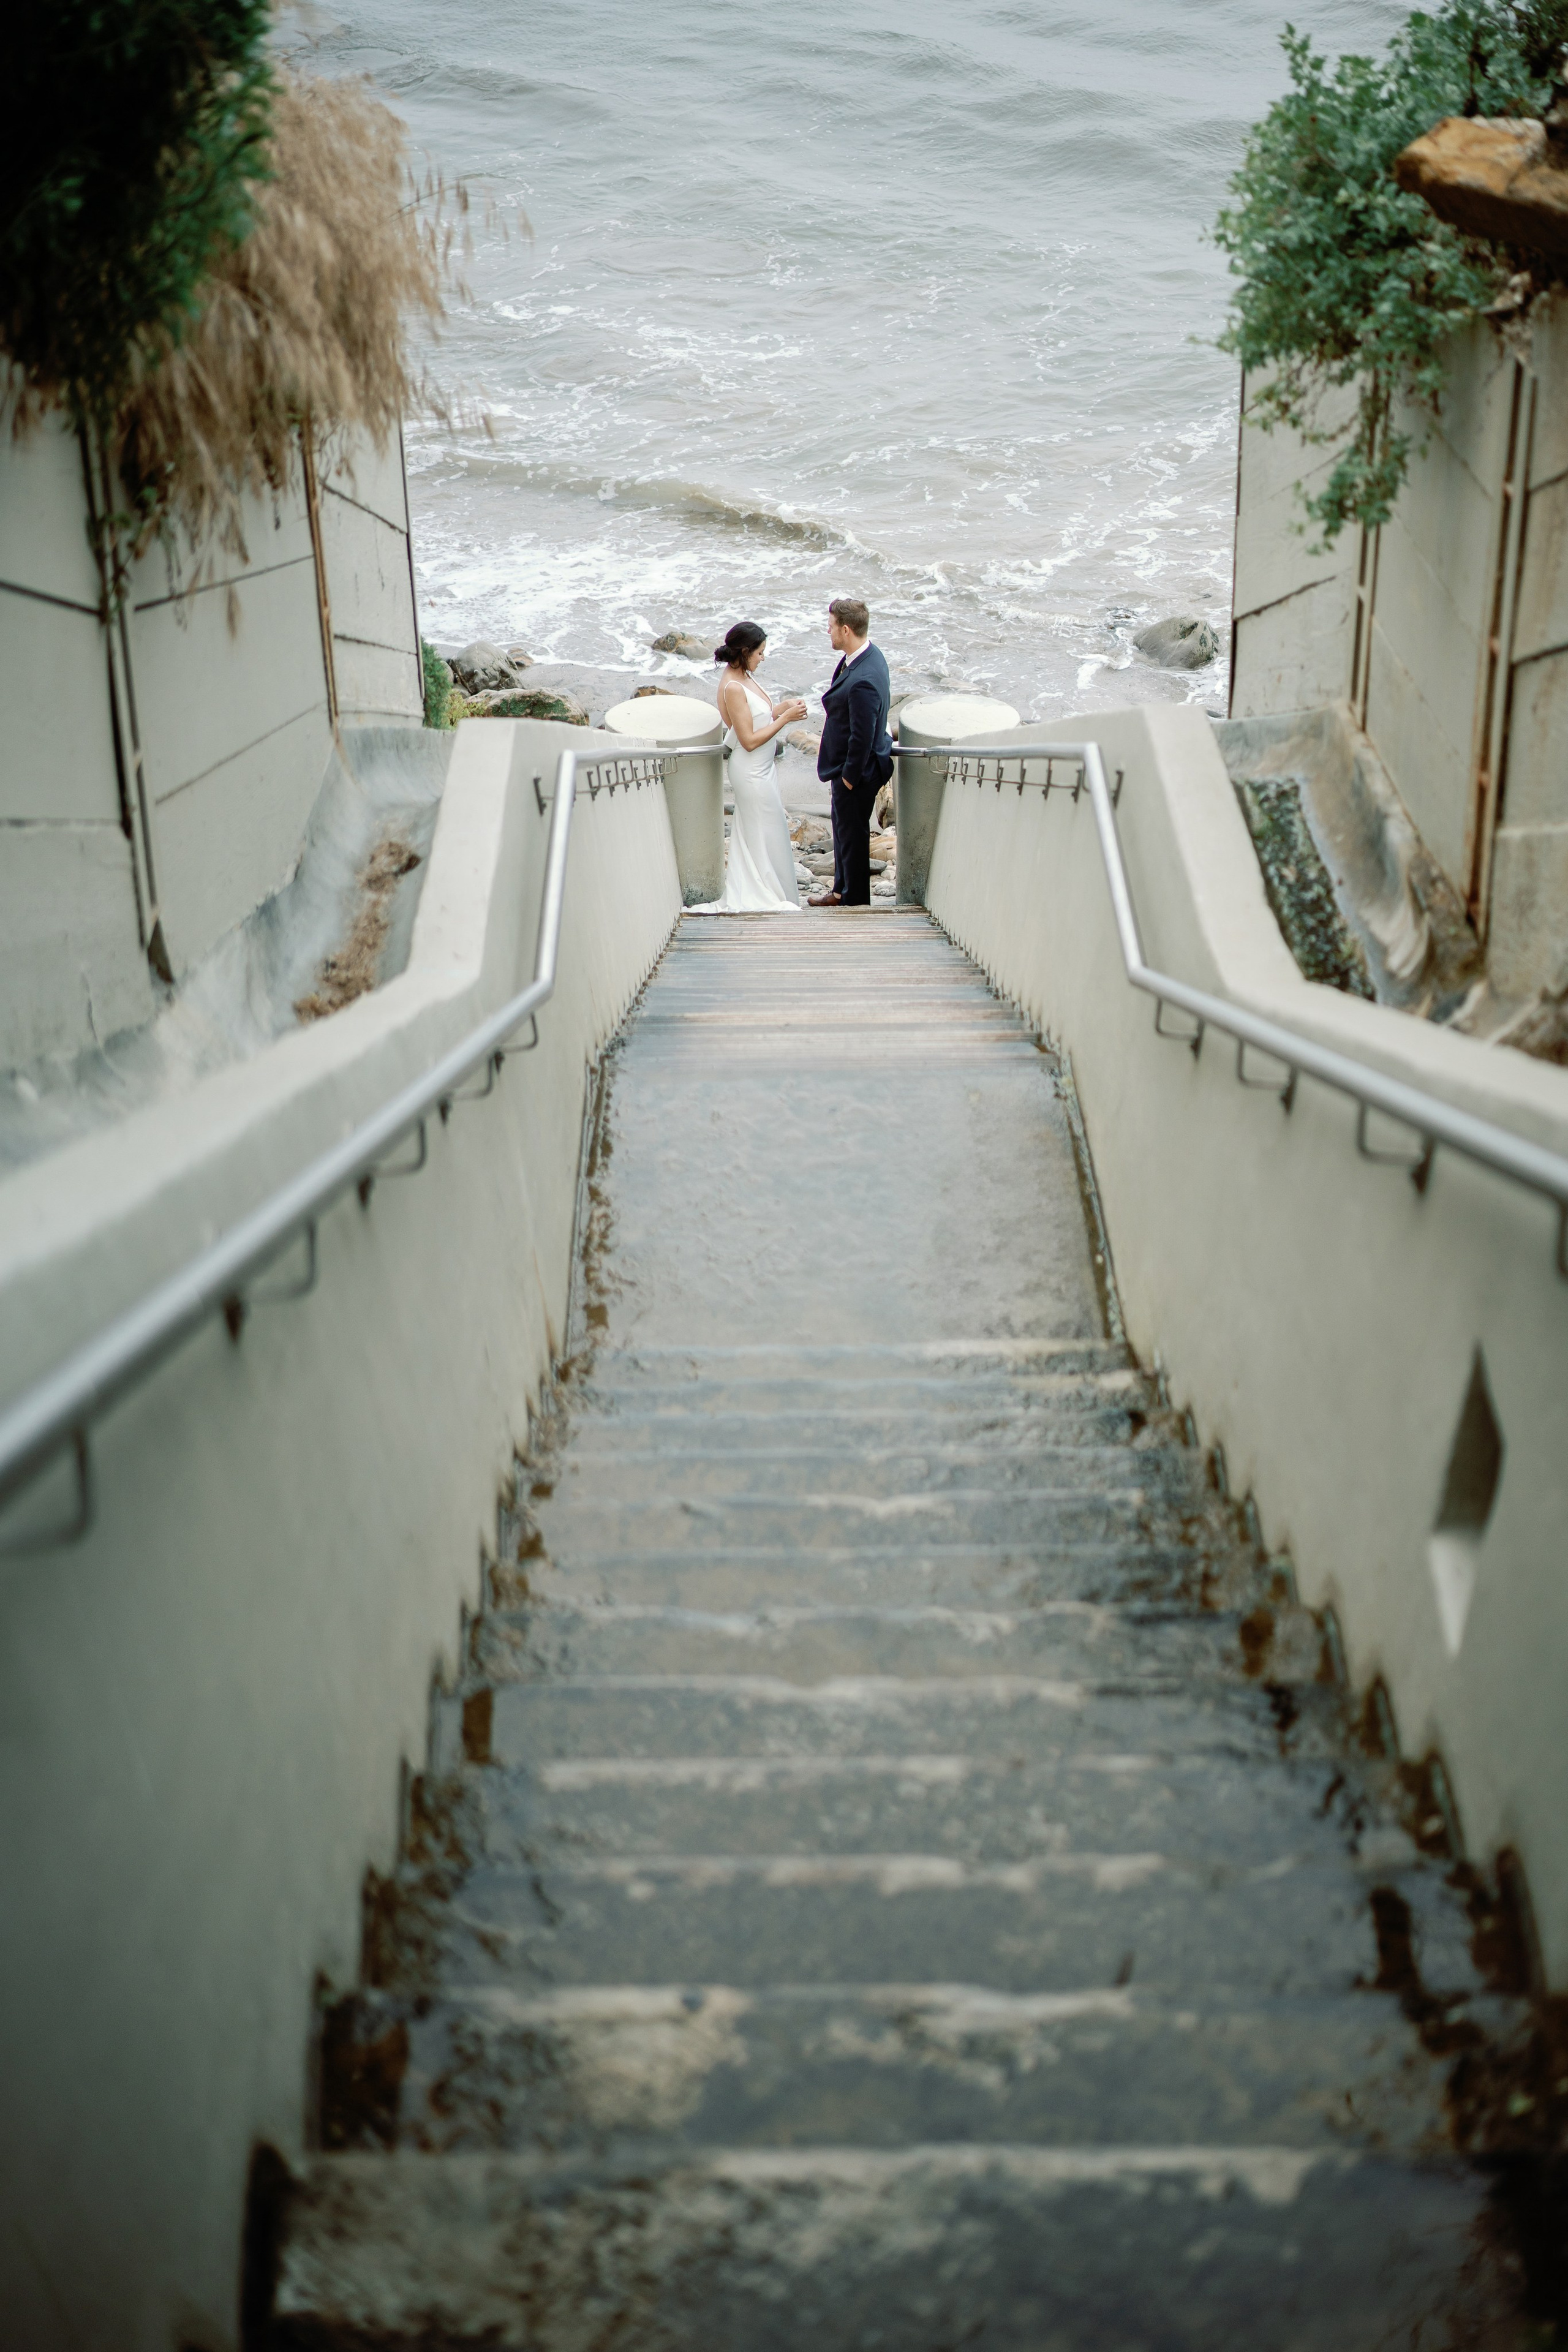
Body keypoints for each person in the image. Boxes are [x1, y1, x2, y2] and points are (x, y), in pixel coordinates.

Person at [687, 622, 808, 915]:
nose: (763, 658)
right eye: (760, 652)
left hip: (764, 771)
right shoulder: (731, 686)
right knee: (761, 832)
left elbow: (758, 718)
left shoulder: (744, 676)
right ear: (745, 651)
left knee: (770, 832)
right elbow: (749, 740)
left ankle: (777, 891)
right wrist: (786, 719)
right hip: (751, 772)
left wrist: (779, 708)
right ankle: (764, 894)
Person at [810, 598, 892, 908]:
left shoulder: (864, 680)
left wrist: (849, 777)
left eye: (831, 627)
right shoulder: (866, 656)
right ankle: (841, 892)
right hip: (848, 767)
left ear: (846, 630)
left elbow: (863, 735)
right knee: (844, 833)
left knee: (854, 840)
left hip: (856, 771)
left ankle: (854, 904)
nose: (827, 631)